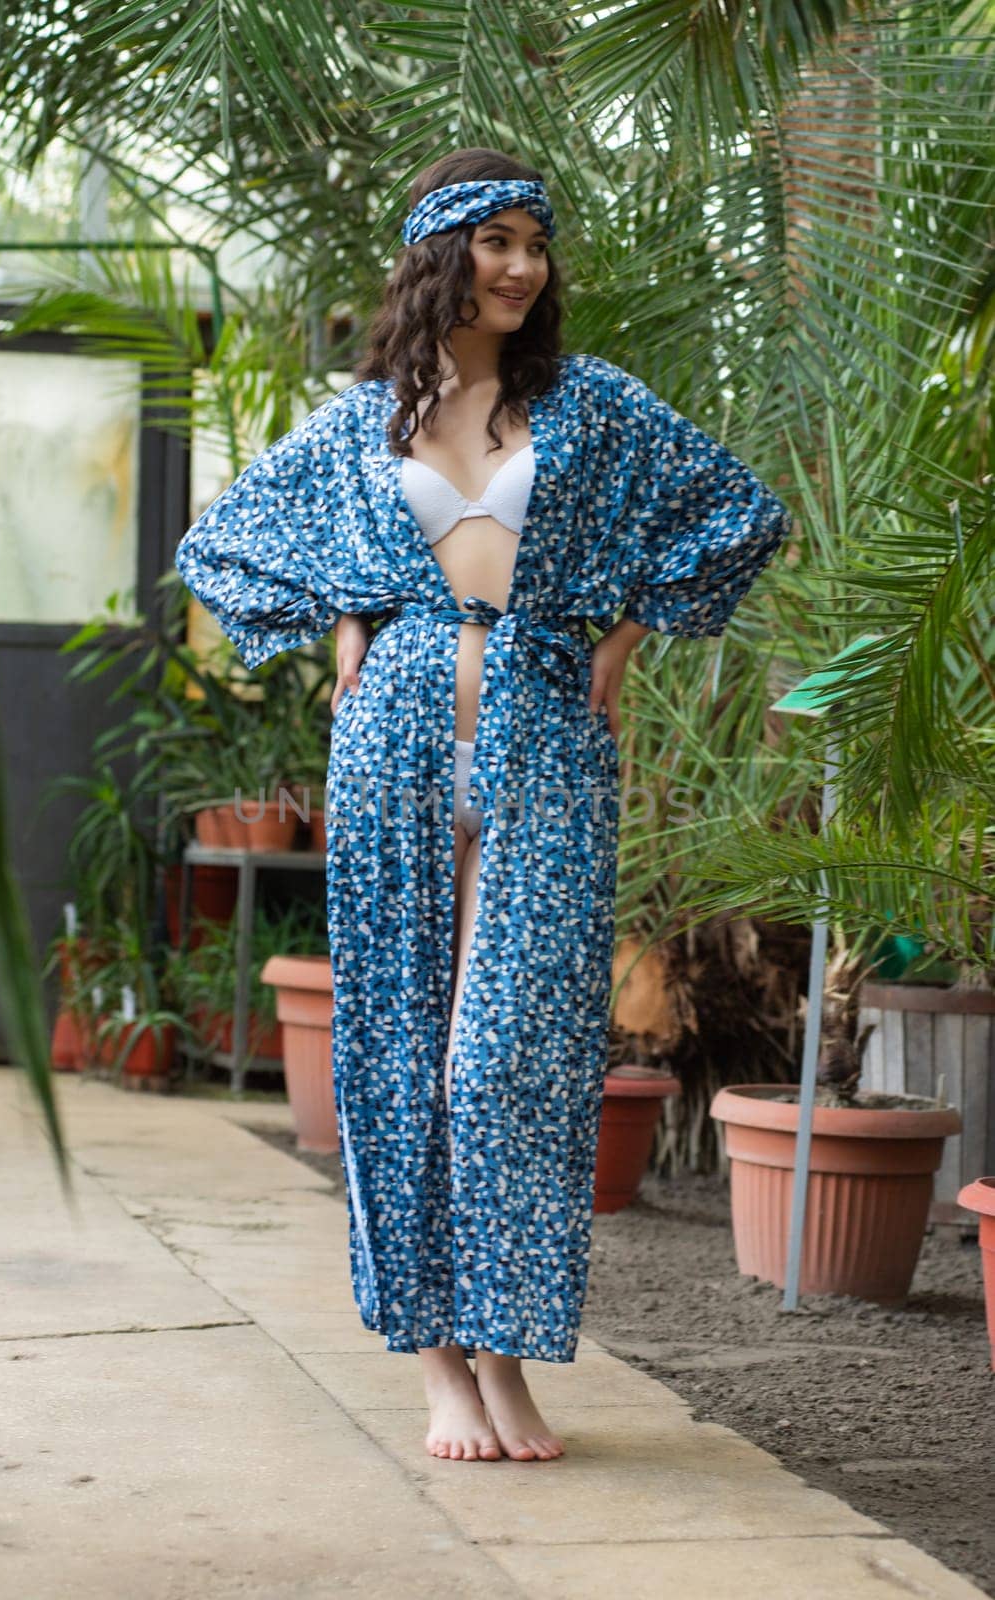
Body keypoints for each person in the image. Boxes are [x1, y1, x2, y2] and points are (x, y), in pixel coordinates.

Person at [175, 146, 793, 1466]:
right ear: (439, 254)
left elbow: (737, 514)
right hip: (395, 741)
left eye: (536, 243)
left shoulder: (591, 405)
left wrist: (621, 639)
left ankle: (510, 1358)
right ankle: (441, 1368)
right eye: (498, 240)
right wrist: (348, 616)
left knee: (514, 1059)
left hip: (549, 738)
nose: (523, 266)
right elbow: (226, 544)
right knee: (402, 1058)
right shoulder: (366, 421)